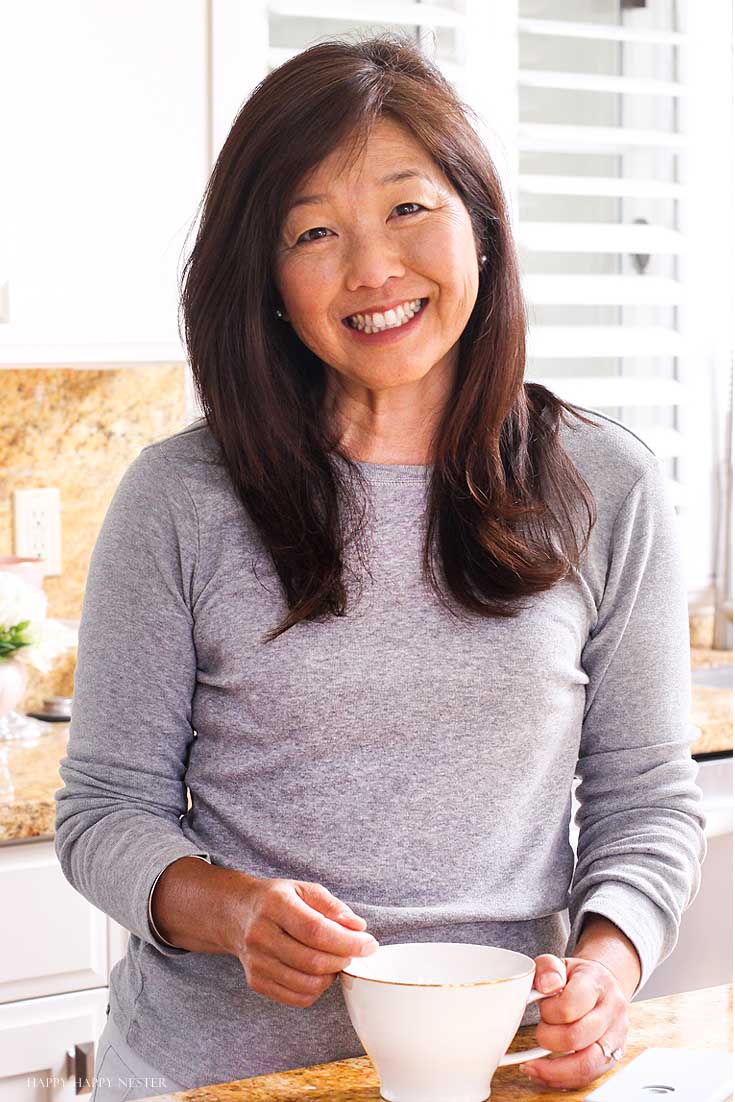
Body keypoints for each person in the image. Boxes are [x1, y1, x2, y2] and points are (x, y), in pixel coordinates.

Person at [55, 32, 706, 1099]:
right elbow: (104, 813)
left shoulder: (604, 485)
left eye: (409, 207)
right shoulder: (179, 499)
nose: (372, 269)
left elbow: (643, 802)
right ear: (266, 277)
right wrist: (233, 910)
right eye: (315, 231)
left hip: (492, 1071)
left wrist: (605, 967)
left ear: (481, 224)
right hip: (214, 1078)